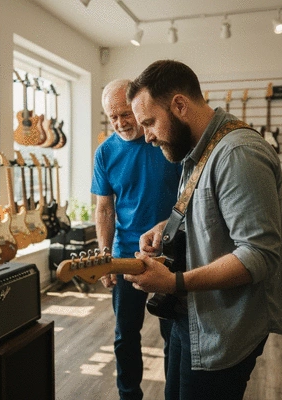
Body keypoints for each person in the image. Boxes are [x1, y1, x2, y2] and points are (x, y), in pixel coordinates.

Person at [124, 60, 282, 400]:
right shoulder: (202, 149)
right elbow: (208, 214)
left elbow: (258, 254)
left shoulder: (238, 152)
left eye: (149, 122)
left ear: (179, 105)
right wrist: (165, 227)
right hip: (192, 316)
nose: (146, 136)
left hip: (223, 328)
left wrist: (173, 282)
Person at [91, 79, 182, 400]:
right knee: (124, 336)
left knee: (174, 337)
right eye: (111, 117)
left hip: (171, 254)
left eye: (124, 114)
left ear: (137, 104)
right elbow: (104, 209)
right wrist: (105, 258)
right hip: (125, 254)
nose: (119, 123)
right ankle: (129, 396)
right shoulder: (105, 152)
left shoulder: (165, 139)